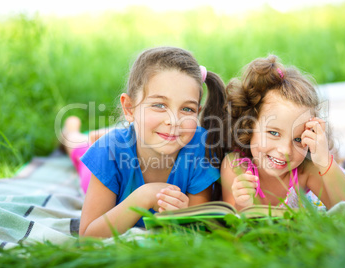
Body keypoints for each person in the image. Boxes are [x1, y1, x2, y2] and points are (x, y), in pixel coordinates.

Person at [60, 46, 226, 237]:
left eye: (187, 109)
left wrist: (183, 216)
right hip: (102, 167)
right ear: (129, 108)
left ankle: (112, 132)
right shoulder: (108, 152)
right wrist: (144, 196)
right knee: (78, 148)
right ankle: (72, 130)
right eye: (159, 105)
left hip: (136, 136)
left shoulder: (200, 148)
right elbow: (88, 237)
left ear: (198, 111)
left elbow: (197, 230)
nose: (173, 121)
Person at [220, 55, 345, 211]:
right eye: (273, 133)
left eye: (298, 139)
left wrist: (324, 161)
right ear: (248, 125)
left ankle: (335, 159)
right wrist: (242, 203)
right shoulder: (235, 167)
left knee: (334, 165)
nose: (285, 150)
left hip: (326, 180)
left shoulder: (306, 170)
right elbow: (233, 220)